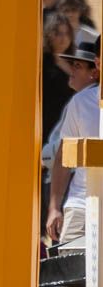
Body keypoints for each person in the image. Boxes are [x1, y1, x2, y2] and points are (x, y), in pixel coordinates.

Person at [47, 40, 100, 252]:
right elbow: (63, 157)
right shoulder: (80, 103)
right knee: (71, 279)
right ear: (98, 63)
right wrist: (54, 208)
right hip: (81, 206)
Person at [43, 12, 77, 145]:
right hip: (48, 127)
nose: (63, 39)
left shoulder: (76, 62)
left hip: (70, 126)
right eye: (58, 34)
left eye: (66, 33)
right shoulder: (43, 63)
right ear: (49, 35)